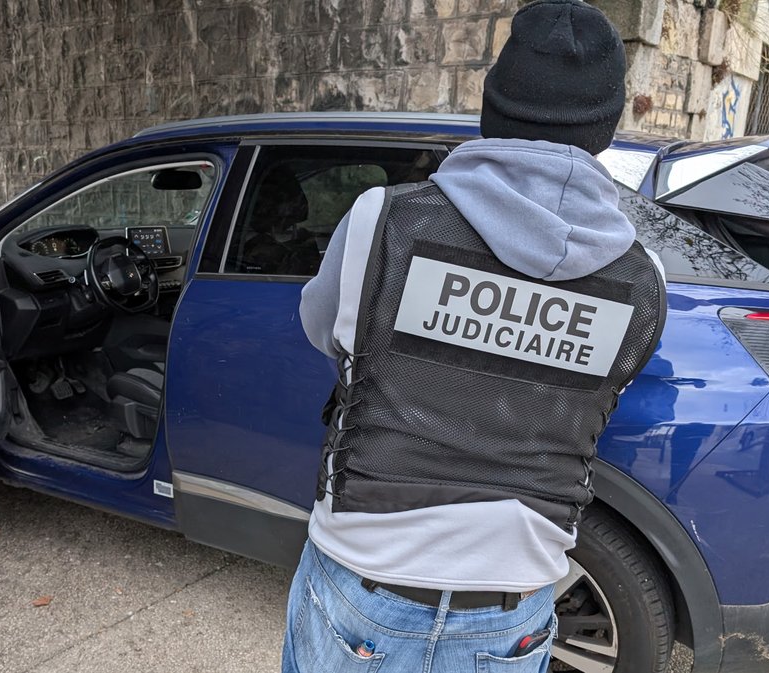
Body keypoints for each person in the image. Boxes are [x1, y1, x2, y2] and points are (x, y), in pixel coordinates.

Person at [282, 2, 667, 671]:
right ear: (604, 126)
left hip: (369, 576)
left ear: (494, 107)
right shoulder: (643, 280)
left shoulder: (383, 221)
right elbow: (596, 392)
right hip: (514, 604)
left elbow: (325, 332)